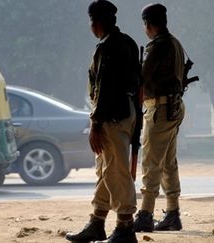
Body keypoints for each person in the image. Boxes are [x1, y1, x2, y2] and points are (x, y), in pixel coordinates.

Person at [65, 1, 140, 242]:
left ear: (95, 23)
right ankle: (97, 221)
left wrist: (96, 124)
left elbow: (105, 87)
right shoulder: (127, 42)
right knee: (106, 170)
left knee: (116, 172)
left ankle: (125, 227)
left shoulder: (108, 47)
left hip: (111, 116)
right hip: (126, 112)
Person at [133, 3, 185, 232]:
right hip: (174, 107)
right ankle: (172, 213)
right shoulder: (175, 43)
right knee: (168, 163)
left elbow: (141, 78)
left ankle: (145, 214)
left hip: (160, 109)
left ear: (147, 24)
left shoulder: (156, 46)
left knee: (152, 163)